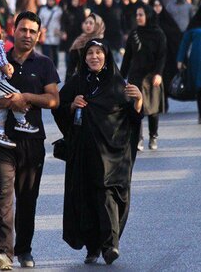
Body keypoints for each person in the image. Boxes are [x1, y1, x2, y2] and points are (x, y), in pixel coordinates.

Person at [0, 11, 60, 270]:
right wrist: (8, 102)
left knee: (27, 197)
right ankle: (4, 252)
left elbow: (53, 100)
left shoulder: (44, 64)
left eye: (32, 31)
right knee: (4, 195)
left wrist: (26, 98)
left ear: (38, 35)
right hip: (1, 141)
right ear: (13, 30)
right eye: (23, 29)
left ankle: (24, 249)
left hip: (32, 142)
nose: (27, 35)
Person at [53, 38, 142, 265]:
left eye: (98, 52)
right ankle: (93, 247)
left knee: (107, 194)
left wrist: (139, 101)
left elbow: (132, 118)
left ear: (106, 56)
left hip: (112, 153)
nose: (94, 57)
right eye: (89, 53)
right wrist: (72, 105)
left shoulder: (117, 83)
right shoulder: (77, 82)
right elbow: (59, 108)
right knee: (86, 198)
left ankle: (110, 245)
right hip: (83, 153)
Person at [0, 17, 40, 149]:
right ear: (0, 33)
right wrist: (7, 70)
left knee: (2, 107)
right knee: (15, 94)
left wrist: (7, 66)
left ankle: (0, 133)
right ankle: (21, 121)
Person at [120, 5, 165, 151]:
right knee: (136, 108)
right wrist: (120, 78)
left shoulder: (158, 34)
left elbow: (162, 56)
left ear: (148, 16)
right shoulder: (134, 33)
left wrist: (158, 73)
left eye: (141, 15)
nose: (138, 17)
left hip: (152, 77)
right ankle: (138, 138)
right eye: (137, 15)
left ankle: (153, 136)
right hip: (136, 76)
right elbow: (127, 57)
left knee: (152, 109)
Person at [66, 14, 105, 81]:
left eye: (91, 23)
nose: (88, 25)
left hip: (101, 81)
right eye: (86, 23)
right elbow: (71, 66)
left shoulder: (102, 43)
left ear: (97, 25)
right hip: (82, 80)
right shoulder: (79, 41)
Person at [37, 0, 63, 67]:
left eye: (52, 0)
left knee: (55, 54)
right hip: (46, 35)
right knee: (46, 54)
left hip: (55, 35)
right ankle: (46, 68)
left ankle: (55, 69)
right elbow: (39, 20)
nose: (51, 2)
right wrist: (41, 28)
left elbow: (62, 21)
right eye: (49, 0)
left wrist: (60, 31)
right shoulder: (43, 10)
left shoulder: (59, 10)